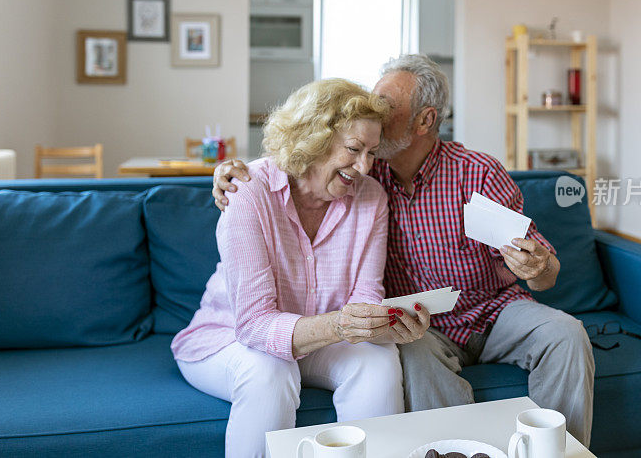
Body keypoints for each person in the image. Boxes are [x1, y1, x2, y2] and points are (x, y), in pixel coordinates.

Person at [212, 56, 595, 446]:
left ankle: (563, 452)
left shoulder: (475, 172)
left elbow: (544, 270)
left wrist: (538, 266)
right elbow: (299, 160)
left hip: (492, 311)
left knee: (566, 333)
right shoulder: (361, 172)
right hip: (421, 325)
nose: (374, 109)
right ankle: (455, 453)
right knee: (404, 356)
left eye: (387, 105)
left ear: (425, 121)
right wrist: (228, 174)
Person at [172, 79, 430, 458]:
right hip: (230, 338)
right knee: (270, 372)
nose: (364, 167)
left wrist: (389, 324)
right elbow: (255, 326)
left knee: (379, 362)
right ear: (313, 139)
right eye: (355, 149)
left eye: (372, 153)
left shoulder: (372, 198)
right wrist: (341, 324)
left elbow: (364, 298)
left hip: (322, 339)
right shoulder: (248, 191)